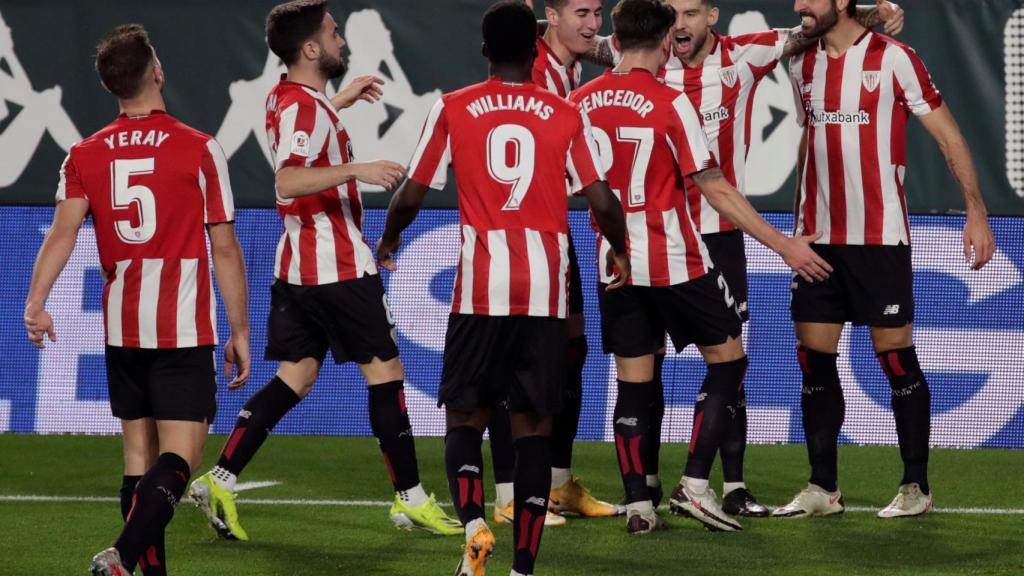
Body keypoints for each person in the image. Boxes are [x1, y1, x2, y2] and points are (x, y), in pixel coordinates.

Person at [579, 0, 904, 516]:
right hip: (670, 237)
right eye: (673, 15)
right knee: (698, 362)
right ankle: (658, 484)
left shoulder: (742, 56)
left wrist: (870, 12)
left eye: (691, 13)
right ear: (661, 30)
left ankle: (730, 485)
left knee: (677, 366)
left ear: (712, 16)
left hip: (708, 236)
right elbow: (571, 32)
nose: (680, 25)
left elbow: (808, 27)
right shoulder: (652, 73)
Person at [187, 0, 461, 541]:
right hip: (337, 265)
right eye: (334, 34)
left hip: (297, 268)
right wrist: (359, 167)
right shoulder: (304, 109)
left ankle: (219, 479)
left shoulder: (288, 98)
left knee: (296, 376)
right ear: (310, 48)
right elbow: (288, 180)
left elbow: (303, 133)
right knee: (386, 374)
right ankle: (411, 499)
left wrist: (339, 103)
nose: (341, 41)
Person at [376, 2, 629, 573]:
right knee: (534, 428)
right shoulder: (566, 111)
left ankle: (473, 527)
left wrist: (389, 239)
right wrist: (619, 247)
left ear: (485, 50)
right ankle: (523, 568)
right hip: (545, 291)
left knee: (465, 418)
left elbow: (412, 192)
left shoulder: (453, 106)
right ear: (534, 47)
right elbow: (603, 200)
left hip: (479, 290)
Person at [23, 24, 251, 575]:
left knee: (137, 459)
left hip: (123, 325)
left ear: (109, 86)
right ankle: (123, 555)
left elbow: (62, 233)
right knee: (181, 458)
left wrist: (35, 301)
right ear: (157, 72)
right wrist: (240, 329)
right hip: (180, 326)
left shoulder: (83, 153)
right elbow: (223, 245)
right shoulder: (199, 147)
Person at [774, 0, 995, 519]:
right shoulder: (799, 60)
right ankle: (822, 487)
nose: (799, 4)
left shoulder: (896, 58)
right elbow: (810, 139)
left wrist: (976, 211)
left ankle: (916, 486)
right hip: (817, 238)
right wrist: (799, 220)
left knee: (894, 356)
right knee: (813, 358)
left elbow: (949, 136)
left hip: (879, 238)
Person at [486, 0, 620, 525]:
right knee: (517, 364)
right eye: (581, 12)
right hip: (517, 242)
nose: (593, 24)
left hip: (556, 238)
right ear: (552, 16)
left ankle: (558, 483)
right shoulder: (532, 71)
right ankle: (508, 493)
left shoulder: (570, 66)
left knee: (570, 352)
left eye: (597, 12)